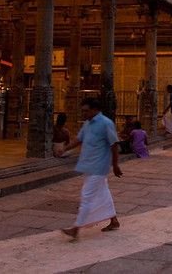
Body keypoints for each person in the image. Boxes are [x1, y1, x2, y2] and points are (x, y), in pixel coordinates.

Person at [61, 98, 122, 240]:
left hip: (99, 167)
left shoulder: (106, 123)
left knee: (86, 196)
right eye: (82, 111)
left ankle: (76, 228)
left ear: (95, 110)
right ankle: (114, 221)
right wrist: (65, 148)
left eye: (86, 111)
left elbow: (114, 145)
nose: (83, 113)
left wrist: (116, 165)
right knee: (103, 194)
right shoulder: (87, 124)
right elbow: (79, 139)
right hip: (89, 165)